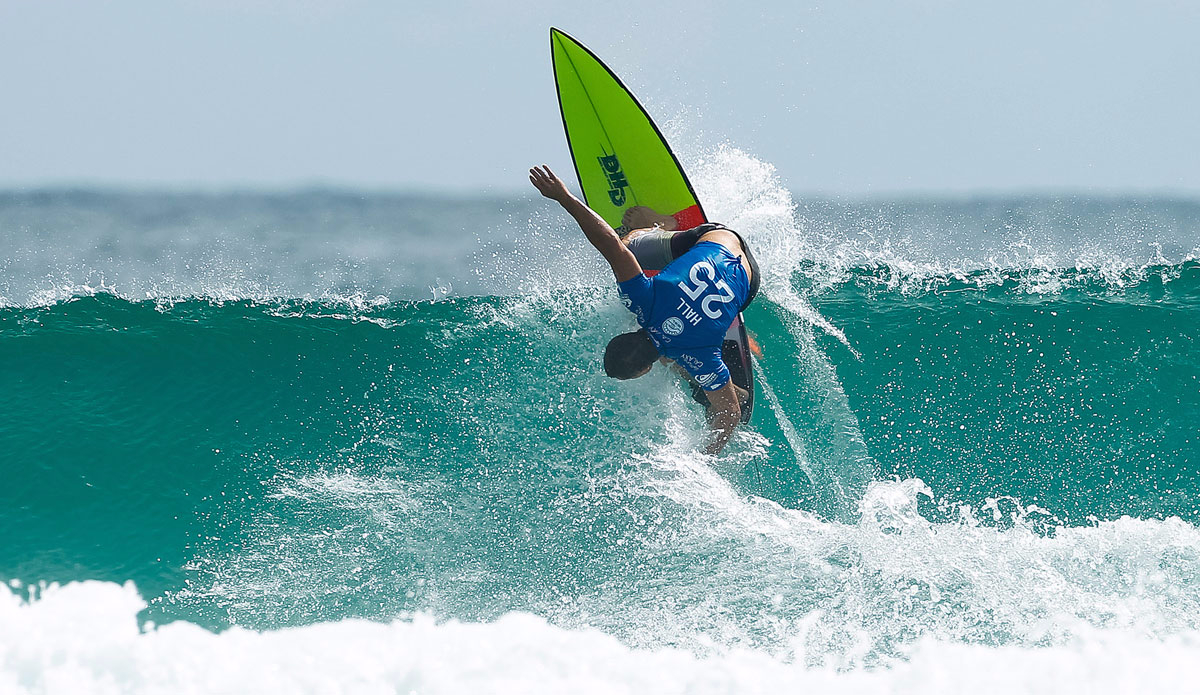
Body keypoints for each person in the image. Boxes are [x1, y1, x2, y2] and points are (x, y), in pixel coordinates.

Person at [529, 165, 760, 454]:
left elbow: (732, 414)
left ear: (643, 371)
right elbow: (611, 244)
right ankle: (654, 237)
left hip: (749, 284)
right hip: (722, 239)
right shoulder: (640, 299)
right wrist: (564, 197)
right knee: (627, 246)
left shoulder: (699, 355)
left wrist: (705, 456)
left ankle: (660, 224)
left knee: (677, 359)